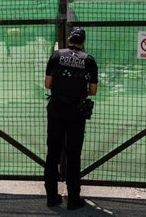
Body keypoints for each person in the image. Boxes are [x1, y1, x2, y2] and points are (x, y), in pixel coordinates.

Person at [44, 27, 98, 210]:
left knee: (53, 153)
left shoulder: (56, 56)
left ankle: (52, 196)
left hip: (57, 108)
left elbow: (47, 84)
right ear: (83, 42)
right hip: (76, 111)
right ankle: (73, 198)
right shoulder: (89, 60)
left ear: (69, 40)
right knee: (73, 154)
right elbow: (93, 91)